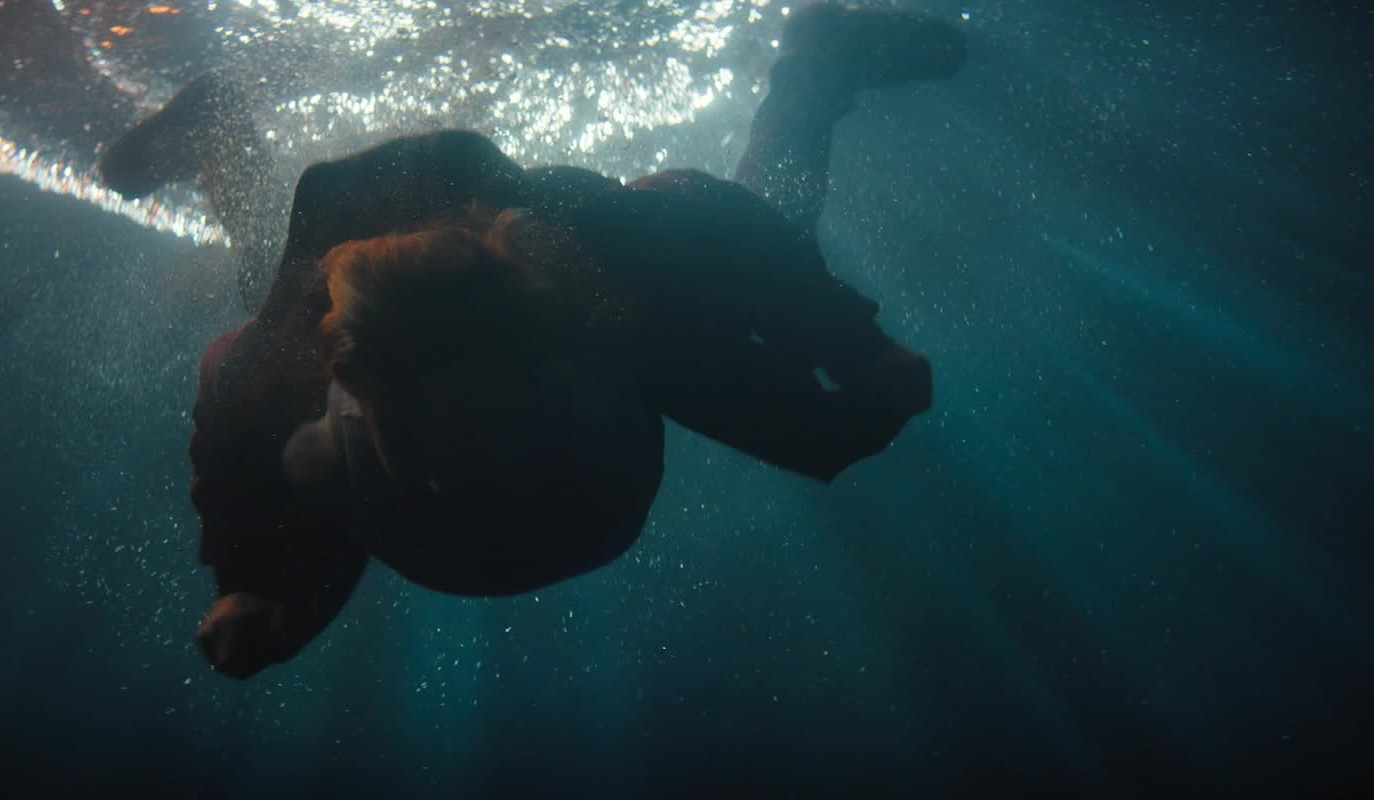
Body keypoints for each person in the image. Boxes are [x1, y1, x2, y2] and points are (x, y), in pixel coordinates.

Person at [98, 4, 966, 678]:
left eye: (463, 432)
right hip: (388, 263)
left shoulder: (610, 288)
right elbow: (239, 413)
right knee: (267, 303)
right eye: (413, 435)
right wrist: (249, 583)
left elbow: (730, 237)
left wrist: (853, 353)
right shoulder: (297, 356)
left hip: (574, 253)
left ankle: (817, 60)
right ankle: (217, 126)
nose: (442, 474)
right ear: (352, 382)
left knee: (766, 230)